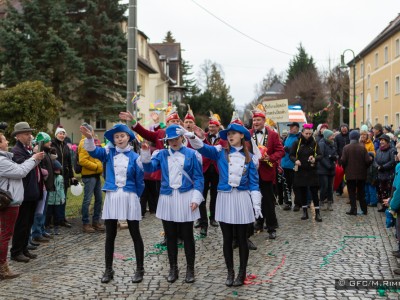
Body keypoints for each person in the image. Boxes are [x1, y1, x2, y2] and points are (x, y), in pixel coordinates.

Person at [186, 122, 261, 287]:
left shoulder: (250, 158)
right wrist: (193, 136)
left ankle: (241, 273)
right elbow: (203, 149)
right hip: (225, 198)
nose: (230, 136)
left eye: (233, 133)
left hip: (242, 199)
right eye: (228, 134)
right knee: (227, 239)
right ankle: (230, 272)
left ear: (242, 135)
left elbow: (254, 184)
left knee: (242, 239)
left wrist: (256, 204)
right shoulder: (220, 152)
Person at [80, 123, 145, 284]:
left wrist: (136, 197)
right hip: (112, 197)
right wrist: (89, 138)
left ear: (128, 137)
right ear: (113, 140)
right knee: (110, 235)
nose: (119, 138)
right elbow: (93, 151)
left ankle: (140, 269)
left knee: (135, 233)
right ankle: (108, 269)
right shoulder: (108, 153)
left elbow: (140, 182)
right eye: (116, 137)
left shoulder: (136, 158)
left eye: (122, 135)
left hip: (130, 197)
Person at [140, 124, 203, 284]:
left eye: (176, 138)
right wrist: (146, 153)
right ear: (166, 141)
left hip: (186, 197)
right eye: (170, 139)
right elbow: (148, 168)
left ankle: (190, 269)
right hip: (167, 198)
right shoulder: (161, 154)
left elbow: (199, 178)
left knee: (188, 235)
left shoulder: (192, 154)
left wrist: (196, 198)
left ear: (182, 137)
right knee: (170, 236)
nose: (174, 142)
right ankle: (173, 268)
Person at [0, 132, 44, 278]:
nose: (7, 142)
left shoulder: (6, 157)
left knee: (7, 234)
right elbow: (20, 172)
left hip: (13, 200)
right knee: (6, 235)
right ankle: (2, 267)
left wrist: (35, 158)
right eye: (5, 140)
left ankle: (4, 265)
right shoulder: (2, 160)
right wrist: (33, 158)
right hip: (8, 201)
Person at [10, 122, 45, 262]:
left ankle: (24, 248)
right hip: (23, 193)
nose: (30, 136)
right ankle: (16, 251)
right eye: (26, 134)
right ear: (18, 136)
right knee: (21, 224)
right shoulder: (16, 151)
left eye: (30, 133)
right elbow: (21, 168)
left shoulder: (28, 149)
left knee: (28, 223)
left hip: (31, 191)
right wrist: (34, 156)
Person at [250, 104, 284, 239]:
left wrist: (270, 157)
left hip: (267, 171)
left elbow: (281, 151)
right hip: (251, 173)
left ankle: (271, 227)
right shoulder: (248, 134)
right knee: (253, 199)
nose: (255, 122)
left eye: (258, 120)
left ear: (264, 121)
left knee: (268, 201)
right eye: (254, 120)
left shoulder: (273, 135)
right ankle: (258, 222)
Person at [195, 112, 227, 236]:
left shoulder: (223, 138)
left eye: (214, 126)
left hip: (218, 170)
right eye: (210, 126)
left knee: (215, 195)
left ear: (218, 127)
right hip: (205, 169)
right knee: (201, 195)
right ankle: (202, 221)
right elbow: (202, 147)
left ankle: (213, 217)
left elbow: (219, 149)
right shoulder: (203, 136)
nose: (212, 128)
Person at [290, 124, 323, 222]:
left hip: (312, 171)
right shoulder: (297, 142)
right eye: (306, 133)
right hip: (300, 171)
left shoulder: (315, 143)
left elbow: (320, 155)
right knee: (302, 192)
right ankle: (304, 212)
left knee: (314, 192)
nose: (308, 135)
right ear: (302, 133)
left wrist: (314, 159)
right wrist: (295, 160)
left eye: (309, 133)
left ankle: (317, 213)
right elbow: (291, 155)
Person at [78, 123, 105, 233]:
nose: (93, 132)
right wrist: (96, 167)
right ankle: (86, 223)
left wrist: (98, 167)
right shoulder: (84, 142)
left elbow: (94, 157)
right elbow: (82, 160)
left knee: (99, 199)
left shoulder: (92, 141)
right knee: (87, 200)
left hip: (95, 174)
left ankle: (96, 221)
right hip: (89, 176)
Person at [52, 126, 78, 228]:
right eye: (60, 133)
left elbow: (69, 163)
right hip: (55, 176)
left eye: (63, 133)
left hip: (65, 176)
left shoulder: (66, 147)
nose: (62, 135)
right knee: (55, 198)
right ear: (56, 135)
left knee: (63, 198)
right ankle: (54, 219)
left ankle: (62, 218)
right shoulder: (52, 146)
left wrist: (72, 176)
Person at [341, 130, 372, 215]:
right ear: (358, 137)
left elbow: (343, 160)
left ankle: (353, 209)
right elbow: (368, 161)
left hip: (350, 174)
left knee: (352, 192)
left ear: (350, 137)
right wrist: (365, 168)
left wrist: (345, 168)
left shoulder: (346, 148)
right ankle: (364, 209)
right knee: (361, 192)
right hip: (362, 174)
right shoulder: (362, 148)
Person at [31, 132, 54, 242]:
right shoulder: (40, 153)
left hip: (47, 186)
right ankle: (36, 232)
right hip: (42, 186)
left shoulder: (47, 152)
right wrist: (45, 174)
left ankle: (41, 229)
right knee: (39, 211)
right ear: (43, 142)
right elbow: (40, 169)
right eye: (48, 141)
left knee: (44, 210)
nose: (50, 142)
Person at [280, 122, 301, 211]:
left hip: (294, 165)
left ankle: (297, 203)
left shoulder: (299, 138)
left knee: (296, 186)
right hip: (285, 165)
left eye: (293, 127)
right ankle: (288, 202)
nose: (291, 128)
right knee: (286, 186)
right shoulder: (286, 137)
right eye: (290, 127)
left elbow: (299, 150)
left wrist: (288, 149)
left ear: (297, 128)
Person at [374, 134, 396, 212]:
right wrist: (377, 166)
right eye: (381, 140)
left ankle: (388, 206)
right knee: (381, 191)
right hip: (380, 174)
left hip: (388, 174)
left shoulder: (391, 150)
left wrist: (383, 166)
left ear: (387, 141)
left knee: (388, 191)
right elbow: (375, 160)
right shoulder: (379, 150)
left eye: (383, 140)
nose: (381, 142)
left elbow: (392, 161)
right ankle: (383, 206)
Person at [317, 129, 337, 211]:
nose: (333, 137)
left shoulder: (333, 144)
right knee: (324, 186)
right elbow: (320, 157)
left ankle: (329, 203)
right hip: (323, 169)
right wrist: (328, 165)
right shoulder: (322, 144)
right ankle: (321, 202)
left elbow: (335, 153)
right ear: (327, 136)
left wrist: (335, 157)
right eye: (331, 136)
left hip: (331, 169)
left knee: (330, 187)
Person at [360, 125, 377, 207]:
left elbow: (373, 153)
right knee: (364, 185)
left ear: (367, 135)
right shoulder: (358, 143)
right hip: (361, 166)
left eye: (364, 135)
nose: (363, 136)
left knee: (370, 185)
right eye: (361, 135)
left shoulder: (370, 143)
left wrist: (368, 154)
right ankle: (366, 200)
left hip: (369, 165)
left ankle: (373, 201)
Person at [46, 160, 65, 235]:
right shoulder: (49, 177)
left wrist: (62, 197)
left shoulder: (60, 178)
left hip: (58, 199)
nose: (58, 171)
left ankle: (56, 227)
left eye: (59, 170)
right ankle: (47, 226)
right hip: (50, 200)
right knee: (48, 214)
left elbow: (61, 188)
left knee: (57, 215)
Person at [334, 124, 350, 196]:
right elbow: (335, 147)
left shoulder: (350, 136)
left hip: (349, 158)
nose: (344, 130)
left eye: (345, 128)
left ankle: (347, 190)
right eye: (342, 129)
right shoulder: (337, 137)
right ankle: (339, 190)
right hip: (340, 158)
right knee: (339, 174)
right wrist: (337, 156)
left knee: (348, 175)